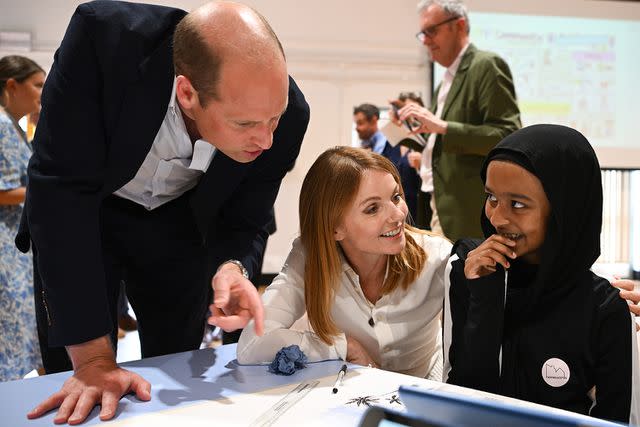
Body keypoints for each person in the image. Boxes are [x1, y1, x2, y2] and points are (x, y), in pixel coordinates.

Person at [19, 1, 309, 424]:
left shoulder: (286, 117)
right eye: (246, 125)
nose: (265, 140)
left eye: (273, 120)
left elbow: (247, 217)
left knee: (180, 367)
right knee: (83, 382)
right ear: (187, 93)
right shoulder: (103, 41)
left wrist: (232, 268)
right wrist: (92, 361)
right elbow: (60, 191)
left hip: (180, 227)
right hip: (88, 214)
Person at [443, 124, 640, 423]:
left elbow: (618, 418)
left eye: (518, 204)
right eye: (491, 198)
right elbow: (459, 398)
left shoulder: (605, 309)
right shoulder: (468, 272)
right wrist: (486, 299)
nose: (497, 217)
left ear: (564, 210)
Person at [237, 147, 451, 380]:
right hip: (350, 401)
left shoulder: (437, 256)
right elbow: (253, 343)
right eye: (372, 208)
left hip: (425, 395)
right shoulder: (310, 256)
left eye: (396, 197)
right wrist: (344, 347)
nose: (398, 215)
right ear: (333, 227)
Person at [396, 0, 521, 241]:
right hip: (437, 203)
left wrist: (442, 127)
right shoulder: (444, 81)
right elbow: (440, 141)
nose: (426, 40)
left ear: (460, 25)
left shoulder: (486, 66)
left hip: (468, 209)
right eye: (422, 34)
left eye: (432, 31)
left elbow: (507, 134)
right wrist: (409, 133)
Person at [0, 55, 45, 382]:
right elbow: (2, 191)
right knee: (13, 327)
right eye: (37, 85)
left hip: (14, 244)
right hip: (5, 247)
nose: (42, 92)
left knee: (22, 325)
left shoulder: (13, 125)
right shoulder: (2, 125)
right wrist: (48, 192)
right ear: (12, 86)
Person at [354, 104, 420, 221]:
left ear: (374, 120)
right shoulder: (368, 145)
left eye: (360, 123)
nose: (357, 128)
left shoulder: (393, 142)